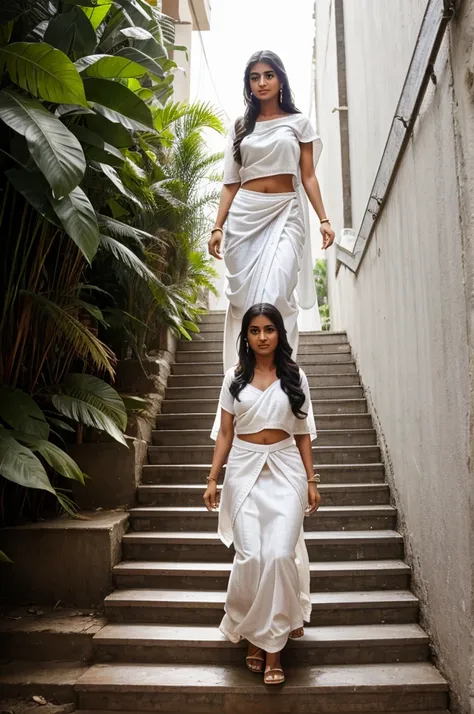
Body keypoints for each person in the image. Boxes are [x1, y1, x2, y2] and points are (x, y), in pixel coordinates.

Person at [203, 303, 321, 685]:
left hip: (285, 468)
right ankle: (255, 631)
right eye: (254, 330)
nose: (263, 336)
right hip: (244, 469)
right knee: (251, 555)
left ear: (279, 333)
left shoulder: (295, 376)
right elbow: (224, 433)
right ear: (246, 336)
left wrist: (311, 480)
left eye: (269, 329)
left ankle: (272, 649)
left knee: (280, 554)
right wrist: (212, 479)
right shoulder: (233, 377)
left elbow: (302, 432)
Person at [208, 50, 335, 371]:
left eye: (268, 75)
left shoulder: (298, 123)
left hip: (286, 214)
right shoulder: (240, 127)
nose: (261, 82)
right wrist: (217, 226)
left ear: (280, 80)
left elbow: (307, 176)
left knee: (277, 288)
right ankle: (246, 371)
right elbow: (230, 182)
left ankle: (281, 368)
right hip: (244, 218)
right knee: (248, 301)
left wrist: (324, 219)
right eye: (254, 77)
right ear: (248, 85)